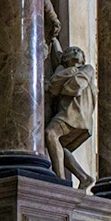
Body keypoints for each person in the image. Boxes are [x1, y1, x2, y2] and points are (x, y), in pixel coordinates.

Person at [46, 46, 97, 188]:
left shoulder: (88, 69)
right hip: (73, 115)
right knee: (60, 147)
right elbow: (54, 87)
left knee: (50, 134)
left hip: (76, 114)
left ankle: (60, 180)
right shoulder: (63, 71)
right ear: (64, 59)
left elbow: (75, 86)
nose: (76, 52)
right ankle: (84, 177)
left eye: (79, 51)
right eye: (71, 51)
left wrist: (65, 76)